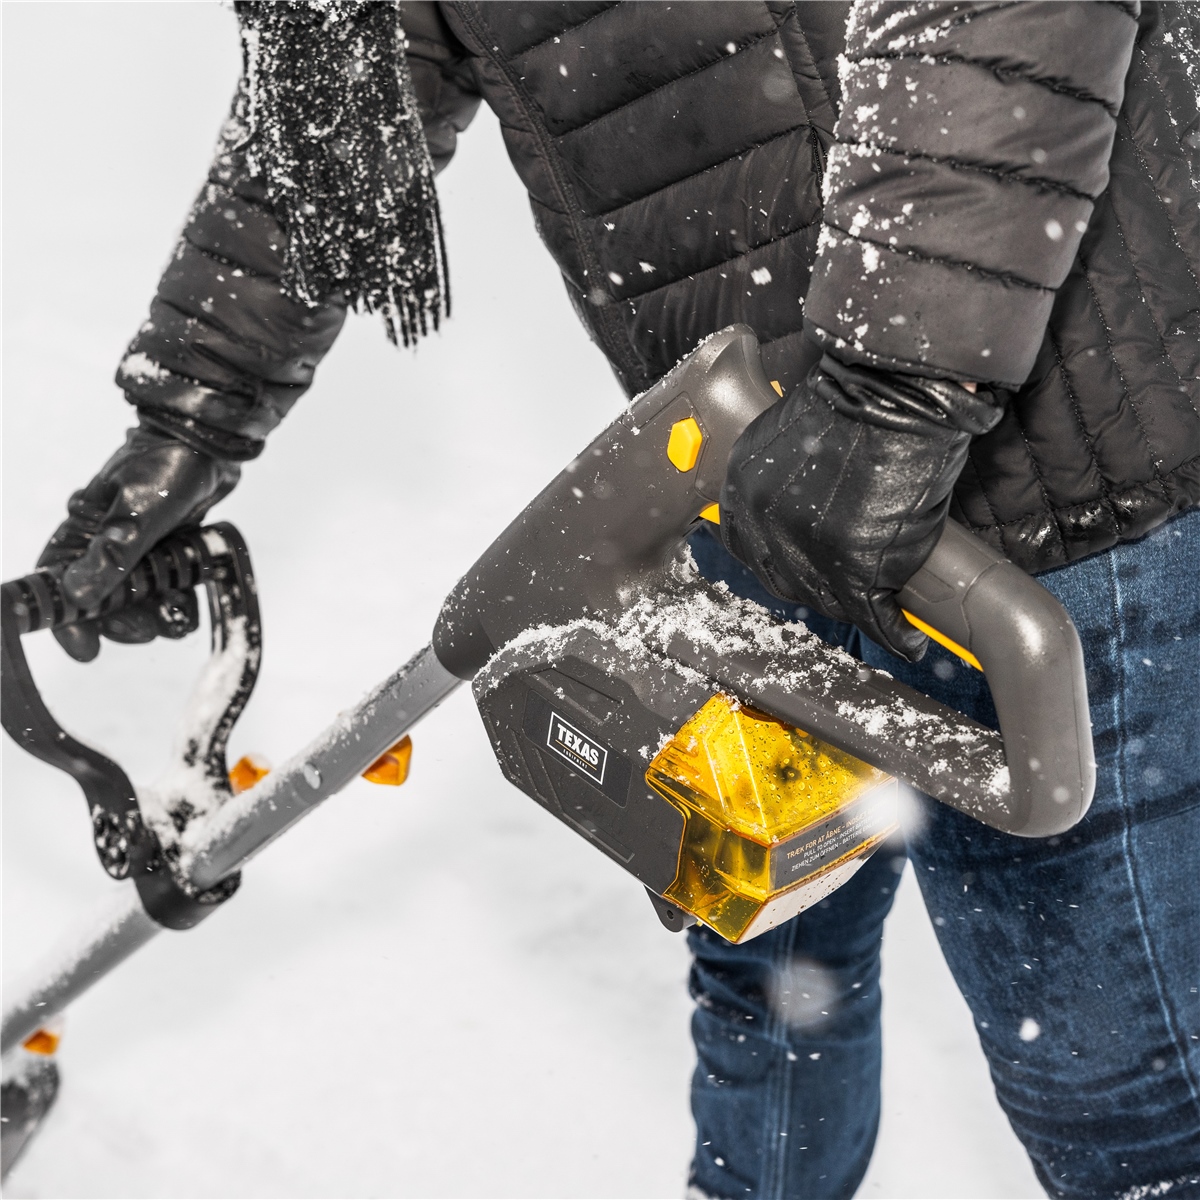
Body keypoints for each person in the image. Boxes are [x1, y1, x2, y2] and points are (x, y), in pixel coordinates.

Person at [33, 3, 1198, 1197]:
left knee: (1124, 1086)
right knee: (768, 967)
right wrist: (186, 418)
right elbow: (347, 76)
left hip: (1061, 452)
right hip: (747, 461)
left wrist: (899, 380)